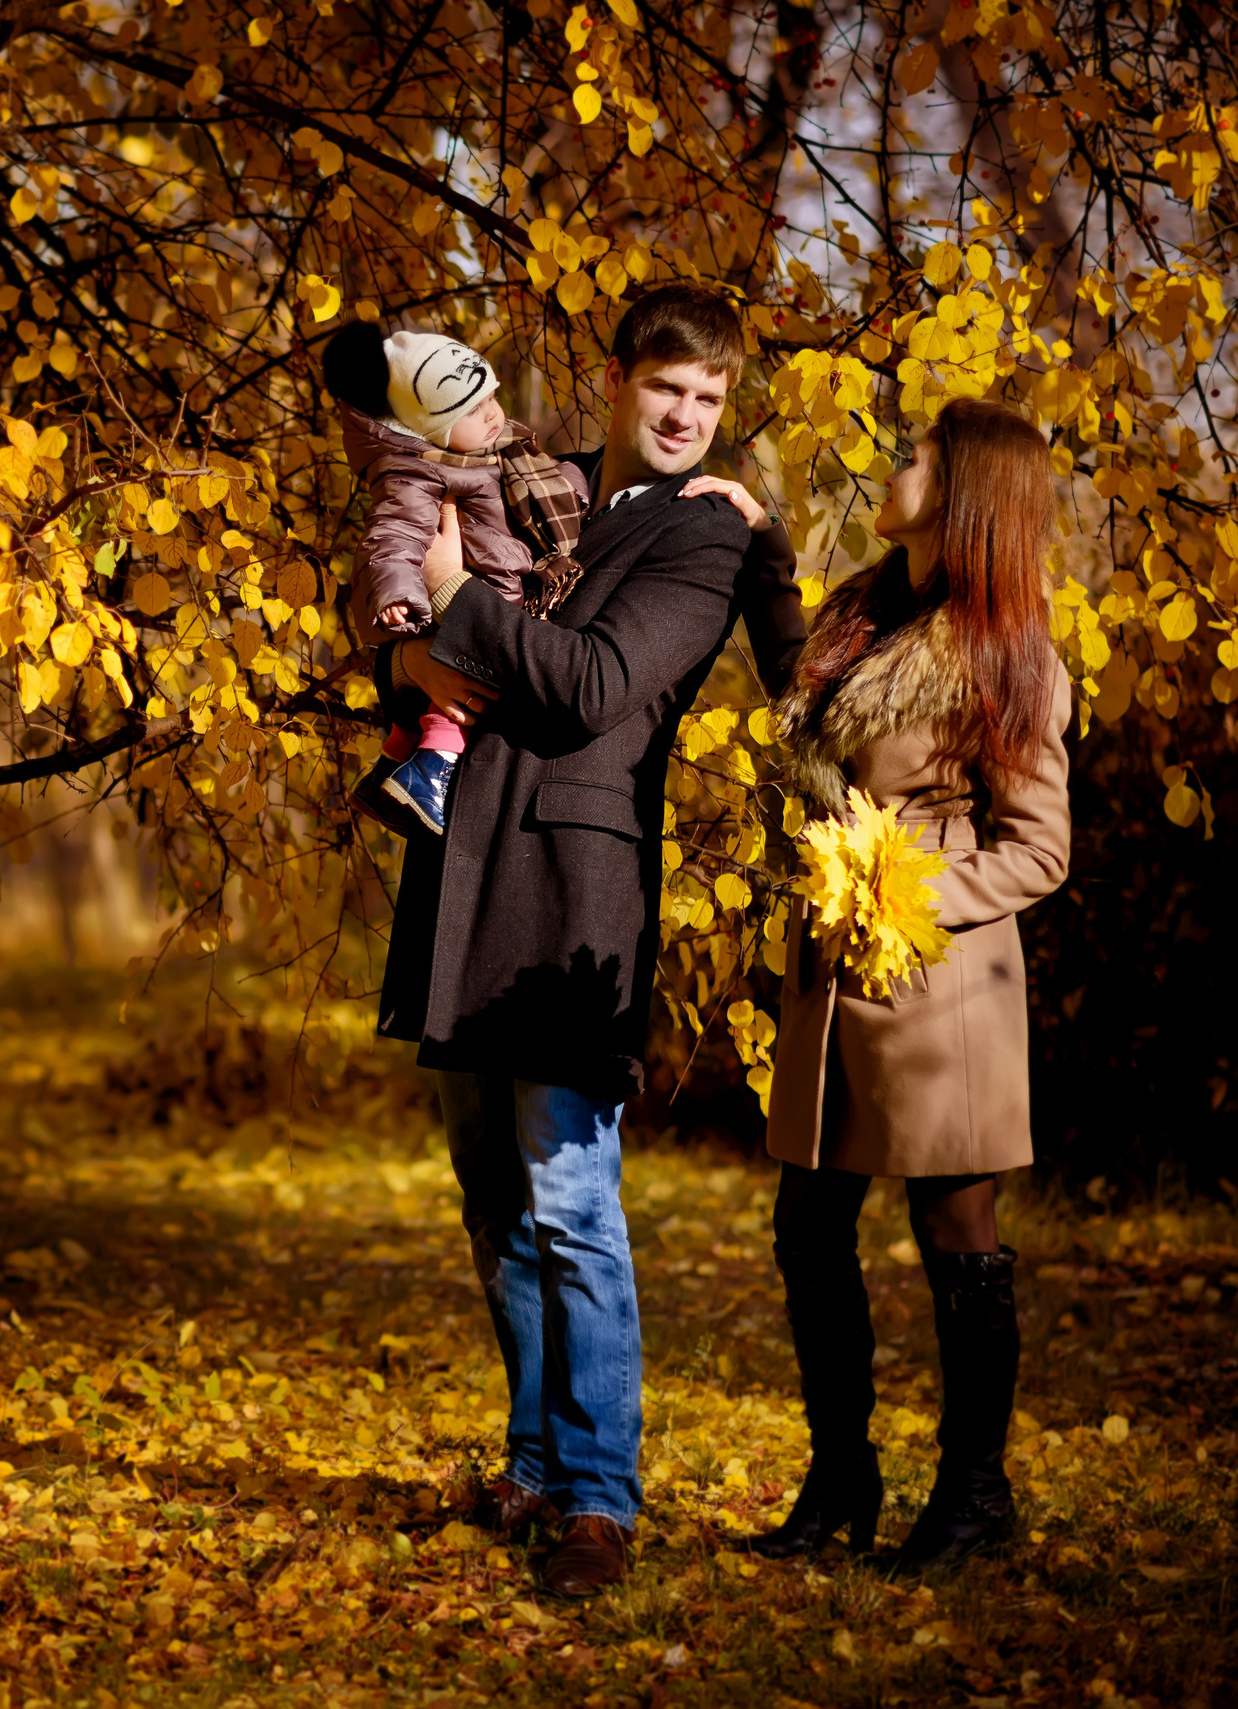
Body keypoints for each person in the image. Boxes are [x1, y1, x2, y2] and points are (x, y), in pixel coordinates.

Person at [382, 283, 809, 1597]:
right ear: (619, 378)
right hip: (464, 868)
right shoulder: (542, 484)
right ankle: (531, 1464)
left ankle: (600, 1497)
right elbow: (409, 545)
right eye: (665, 388)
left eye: (710, 398)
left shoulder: (708, 541)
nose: (686, 416)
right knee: (492, 1199)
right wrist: (406, 653)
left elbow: (593, 686)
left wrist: (459, 602)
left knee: (572, 1202)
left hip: (576, 888)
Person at [738, 397, 1070, 1575]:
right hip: (833, 965)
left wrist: (906, 890)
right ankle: (842, 1478)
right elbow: (800, 707)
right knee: (806, 1225)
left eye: (917, 454)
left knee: (952, 1229)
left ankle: (977, 1493)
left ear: (967, 492)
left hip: (940, 978)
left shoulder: (1007, 651)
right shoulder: (860, 613)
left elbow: (1039, 845)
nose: (896, 463)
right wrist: (758, 553)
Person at [322, 324, 590, 835]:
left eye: (490, 395)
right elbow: (393, 534)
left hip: (490, 597)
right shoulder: (419, 473)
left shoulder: (500, 450)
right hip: (474, 607)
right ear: (431, 428)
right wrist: (396, 592)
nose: (492, 412)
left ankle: (394, 762)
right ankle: (430, 771)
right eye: (471, 409)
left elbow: (551, 483)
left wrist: (575, 487)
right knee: (475, 686)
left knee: (468, 674)